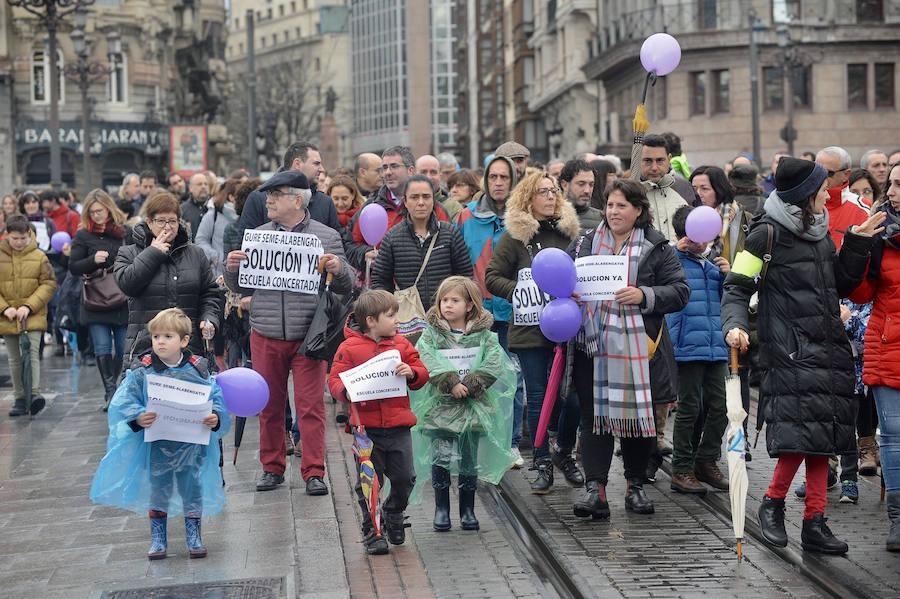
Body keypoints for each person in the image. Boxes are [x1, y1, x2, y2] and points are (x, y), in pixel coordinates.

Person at [722, 156, 884, 555]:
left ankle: (815, 522)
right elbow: (737, 287)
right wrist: (734, 325)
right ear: (805, 195)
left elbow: (839, 285)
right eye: (822, 186)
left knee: (822, 435)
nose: (829, 192)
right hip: (790, 349)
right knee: (799, 435)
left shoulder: (820, 230)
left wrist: (858, 243)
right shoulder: (765, 234)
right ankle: (772, 505)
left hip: (828, 345)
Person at [224, 171, 354, 496]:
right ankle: (272, 468)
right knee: (269, 405)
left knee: (310, 406)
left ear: (297, 199)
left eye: (276, 194)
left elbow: (347, 285)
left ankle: (314, 471)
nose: (267, 200)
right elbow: (240, 286)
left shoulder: (325, 236)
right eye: (268, 194)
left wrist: (338, 269)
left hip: (309, 334)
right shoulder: (257, 236)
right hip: (266, 331)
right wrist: (231, 268)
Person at [567, 178, 689, 519]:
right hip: (591, 345)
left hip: (641, 348)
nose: (613, 212)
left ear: (638, 210)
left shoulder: (656, 245)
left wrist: (644, 295)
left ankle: (635, 486)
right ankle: (597, 491)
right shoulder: (585, 243)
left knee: (638, 418)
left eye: (622, 206)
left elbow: (680, 291)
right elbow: (560, 281)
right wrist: (568, 294)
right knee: (594, 420)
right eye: (609, 205)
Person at [89, 308, 229, 560]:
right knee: (159, 489)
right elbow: (125, 401)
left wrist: (215, 417)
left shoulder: (198, 370)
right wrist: (137, 417)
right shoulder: (144, 371)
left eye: (167, 336)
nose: (160, 342)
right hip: (157, 446)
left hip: (191, 445)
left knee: (192, 489)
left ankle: (194, 536)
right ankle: (158, 538)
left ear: (184, 341)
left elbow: (215, 397)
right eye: (156, 337)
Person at [485, 171, 583, 493]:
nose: (551, 196)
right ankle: (542, 461)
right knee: (539, 397)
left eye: (554, 190)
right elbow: (492, 276)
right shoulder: (515, 236)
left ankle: (563, 452)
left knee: (572, 399)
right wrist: (521, 289)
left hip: (568, 328)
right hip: (530, 330)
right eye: (543, 191)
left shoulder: (571, 235)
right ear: (528, 197)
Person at [410, 277, 516, 532]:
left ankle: (467, 509)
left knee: (469, 459)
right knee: (441, 455)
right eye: (444, 300)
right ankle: (442, 509)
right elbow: (425, 357)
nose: (448, 305)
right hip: (441, 406)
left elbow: (493, 361)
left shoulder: (485, 335)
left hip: (473, 405)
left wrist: (471, 383)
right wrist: (448, 382)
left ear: (469, 305)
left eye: (455, 300)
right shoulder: (432, 334)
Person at [328, 290, 429, 555]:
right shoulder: (348, 348)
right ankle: (372, 531)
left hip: (398, 428)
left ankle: (394, 512)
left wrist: (412, 373)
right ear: (371, 320)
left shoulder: (402, 345)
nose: (397, 320)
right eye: (391, 315)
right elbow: (334, 381)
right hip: (366, 431)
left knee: (406, 478)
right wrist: (346, 392)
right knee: (369, 483)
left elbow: (422, 373)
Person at [456, 154, 526, 467]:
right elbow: (457, 262)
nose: (498, 183)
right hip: (476, 312)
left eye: (505, 178)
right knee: (472, 378)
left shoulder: (523, 217)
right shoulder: (466, 216)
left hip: (514, 310)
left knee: (513, 380)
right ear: (485, 180)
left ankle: (510, 443)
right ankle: (475, 441)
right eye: (493, 177)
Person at [849, 161, 900, 552]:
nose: (893, 191)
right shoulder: (880, 234)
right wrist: (860, 246)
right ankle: (898, 520)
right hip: (888, 346)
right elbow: (860, 294)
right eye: (893, 184)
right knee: (895, 438)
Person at [114, 191, 222, 367]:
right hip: (145, 346)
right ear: (149, 222)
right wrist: (152, 253)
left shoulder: (195, 253)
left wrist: (209, 318)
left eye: (172, 221)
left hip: (188, 345)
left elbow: (209, 293)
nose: (167, 227)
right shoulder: (129, 252)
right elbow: (127, 284)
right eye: (161, 221)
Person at [666, 206, 731, 494]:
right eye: (694, 237)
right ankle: (681, 467)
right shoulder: (670, 261)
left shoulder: (713, 267)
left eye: (705, 237)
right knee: (689, 408)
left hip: (716, 347)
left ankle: (706, 460)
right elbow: (650, 276)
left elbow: (727, 302)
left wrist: (729, 277)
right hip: (686, 347)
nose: (700, 244)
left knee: (722, 406)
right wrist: (674, 251)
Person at [371, 175, 473, 315]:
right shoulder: (392, 237)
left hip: (446, 317)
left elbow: (465, 277)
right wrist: (389, 311)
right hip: (408, 319)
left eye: (426, 197)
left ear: (433, 200)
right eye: (414, 197)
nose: (421, 202)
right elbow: (380, 281)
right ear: (405, 201)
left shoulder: (450, 233)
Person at [68, 190, 131, 409]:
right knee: (103, 347)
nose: (96, 215)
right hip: (96, 301)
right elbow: (74, 267)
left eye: (100, 210)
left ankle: (120, 387)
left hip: (122, 299)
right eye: (92, 212)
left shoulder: (124, 232)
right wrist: (92, 260)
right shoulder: (83, 235)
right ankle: (110, 392)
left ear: (108, 208)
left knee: (124, 348)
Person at [344, 146, 449, 272]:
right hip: (382, 286)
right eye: (384, 167)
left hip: (424, 286)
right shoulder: (370, 208)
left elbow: (450, 247)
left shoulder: (434, 208)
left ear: (411, 170)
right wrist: (364, 255)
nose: (387, 172)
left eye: (394, 166)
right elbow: (349, 245)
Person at [0, 215, 56, 416]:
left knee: (31, 352)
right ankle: (19, 397)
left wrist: (28, 306)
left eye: (23, 238)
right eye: (15, 238)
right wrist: (5, 308)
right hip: (8, 316)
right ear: (7, 235)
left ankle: (34, 394)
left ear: (29, 235)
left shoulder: (40, 256)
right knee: (14, 358)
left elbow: (49, 284)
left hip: (32, 314)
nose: (19, 242)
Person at [239, 141, 341, 236]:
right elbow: (245, 246)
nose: (322, 169)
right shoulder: (258, 199)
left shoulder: (325, 203)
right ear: (297, 164)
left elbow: (335, 245)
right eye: (316, 163)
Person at [632, 134, 688, 242]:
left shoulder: (681, 196)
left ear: (669, 159)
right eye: (648, 161)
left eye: (660, 160)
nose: (654, 167)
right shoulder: (626, 197)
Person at [816, 145, 872, 248]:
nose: (820, 177)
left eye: (828, 173)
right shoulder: (803, 202)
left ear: (846, 174)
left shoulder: (862, 209)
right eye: (816, 170)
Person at [196, 177, 240, 279]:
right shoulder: (213, 214)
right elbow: (201, 239)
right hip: (218, 275)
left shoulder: (245, 215)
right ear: (231, 197)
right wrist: (215, 256)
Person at [559, 159, 603, 231]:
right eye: (581, 184)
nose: (587, 190)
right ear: (564, 185)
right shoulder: (549, 216)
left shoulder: (601, 219)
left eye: (591, 185)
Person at [180, 173, 211, 241]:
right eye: (199, 184)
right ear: (190, 188)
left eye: (205, 184)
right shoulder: (182, 210)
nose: (203, 187)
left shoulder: (214, 208)